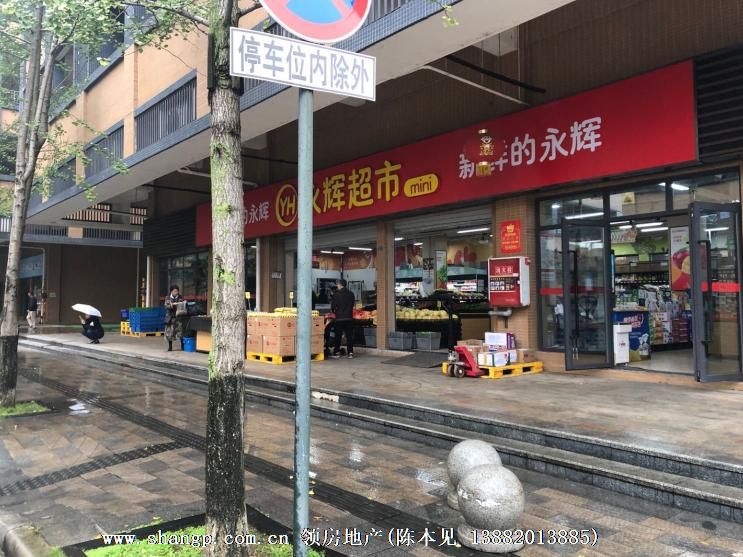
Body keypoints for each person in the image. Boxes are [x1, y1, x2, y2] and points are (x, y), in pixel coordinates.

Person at [331, 279, 355, 359]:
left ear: (340, 285)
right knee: (349, 336)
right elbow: (352, 305)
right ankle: (350, 352)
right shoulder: (351, 294)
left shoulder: (336, 294)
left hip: (339, 318)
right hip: (349, 318)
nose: (337, 286)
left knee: (338, 336)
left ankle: (337, 352)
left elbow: (333, 307)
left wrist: (335, 311)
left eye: (337, 284)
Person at [164, 285, 185, 351]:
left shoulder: (180, 297)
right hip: (170, 317)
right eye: (174, 291)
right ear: (171, 291)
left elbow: (183, 304)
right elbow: (167, 306)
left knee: (180, 332)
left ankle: (183, 346)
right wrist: (173, 304)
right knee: (169, 333)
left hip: (178, 317)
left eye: (177, 291)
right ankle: (170, 347)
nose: (176, 292)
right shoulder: (168, 298)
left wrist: (183, 303)